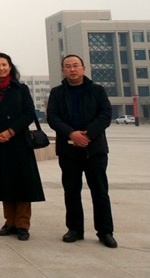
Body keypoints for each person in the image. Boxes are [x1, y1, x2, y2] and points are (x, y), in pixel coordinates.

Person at [47, 54, 117, 248]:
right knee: (71, 191)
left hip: (94, 149)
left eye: (75, 66)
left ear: (83, 68)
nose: (72, 69)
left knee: (100, 191)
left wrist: (88, 134)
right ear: (63, 71)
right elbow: (52, 117)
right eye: (68, 66)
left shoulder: (97, 91)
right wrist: (71, 134)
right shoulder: (57, 93)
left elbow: (106, 114)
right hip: (69, 150)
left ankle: (105, 231)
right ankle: (75, 229)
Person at [0, 53, 45, 241]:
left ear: (10, 67)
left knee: (23, 183)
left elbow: (29, 113)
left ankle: (23, 224)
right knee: (4, 183)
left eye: (4, 64)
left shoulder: (20, 89)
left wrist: (11, 131)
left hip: (18, 142)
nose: (1, 68)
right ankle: (10, 222)